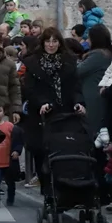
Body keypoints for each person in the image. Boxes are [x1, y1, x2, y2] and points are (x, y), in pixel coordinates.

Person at [22, 28, 85, 194]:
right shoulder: (33, 62)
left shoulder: (68, 61)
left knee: (64, 147)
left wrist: (78, 103)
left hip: (64, 112)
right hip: (41, 115)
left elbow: (75, 86)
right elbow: (29, 89)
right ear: (42, 43)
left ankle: (64, 187)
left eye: (54, 41)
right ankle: (47, 188)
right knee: (40, 150)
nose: (51, 45)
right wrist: (42, 102)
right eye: (48, 41)